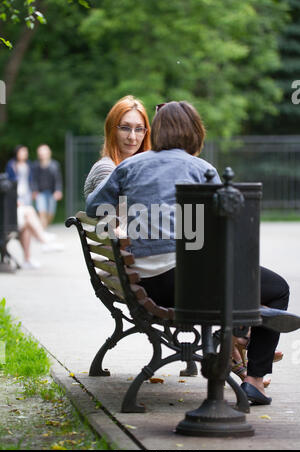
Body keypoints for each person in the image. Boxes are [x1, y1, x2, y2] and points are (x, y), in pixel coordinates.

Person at [86, 101, 293, 406]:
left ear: (156, 131)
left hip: (143, 283)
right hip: (188, 287)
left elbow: (93, 208)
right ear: (195, 133)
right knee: (277, 289)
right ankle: (254, 378)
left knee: (236, 280)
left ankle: (247, 320)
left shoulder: (130, 166)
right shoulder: (202, 169)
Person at [6, 145, 63, 269]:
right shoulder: (12, 165)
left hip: (25, 198)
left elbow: (32, 180)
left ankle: (27, 259)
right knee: (32, 212)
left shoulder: (30, 165)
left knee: (28, 223)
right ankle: (43, 239)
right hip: (16, 202)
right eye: (23, 151)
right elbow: (10, 183)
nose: (25, 153)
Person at [84, 95, 151, 199]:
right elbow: (121, 214)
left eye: (139, 129)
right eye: (125, 128)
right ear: (112, 130)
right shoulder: (106, 169)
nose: (132, 137)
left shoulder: (139, 170)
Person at [32, 144, 63, 228]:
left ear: (49, 153)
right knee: (42, 212)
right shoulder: (35, 165)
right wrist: (34, 191)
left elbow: (58, 179)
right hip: (40, 193)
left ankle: (43, 228)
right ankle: (42, 232)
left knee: (50, 213)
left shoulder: (54, 165)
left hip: (52, 193)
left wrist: (58, 190)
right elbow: (33, 180)